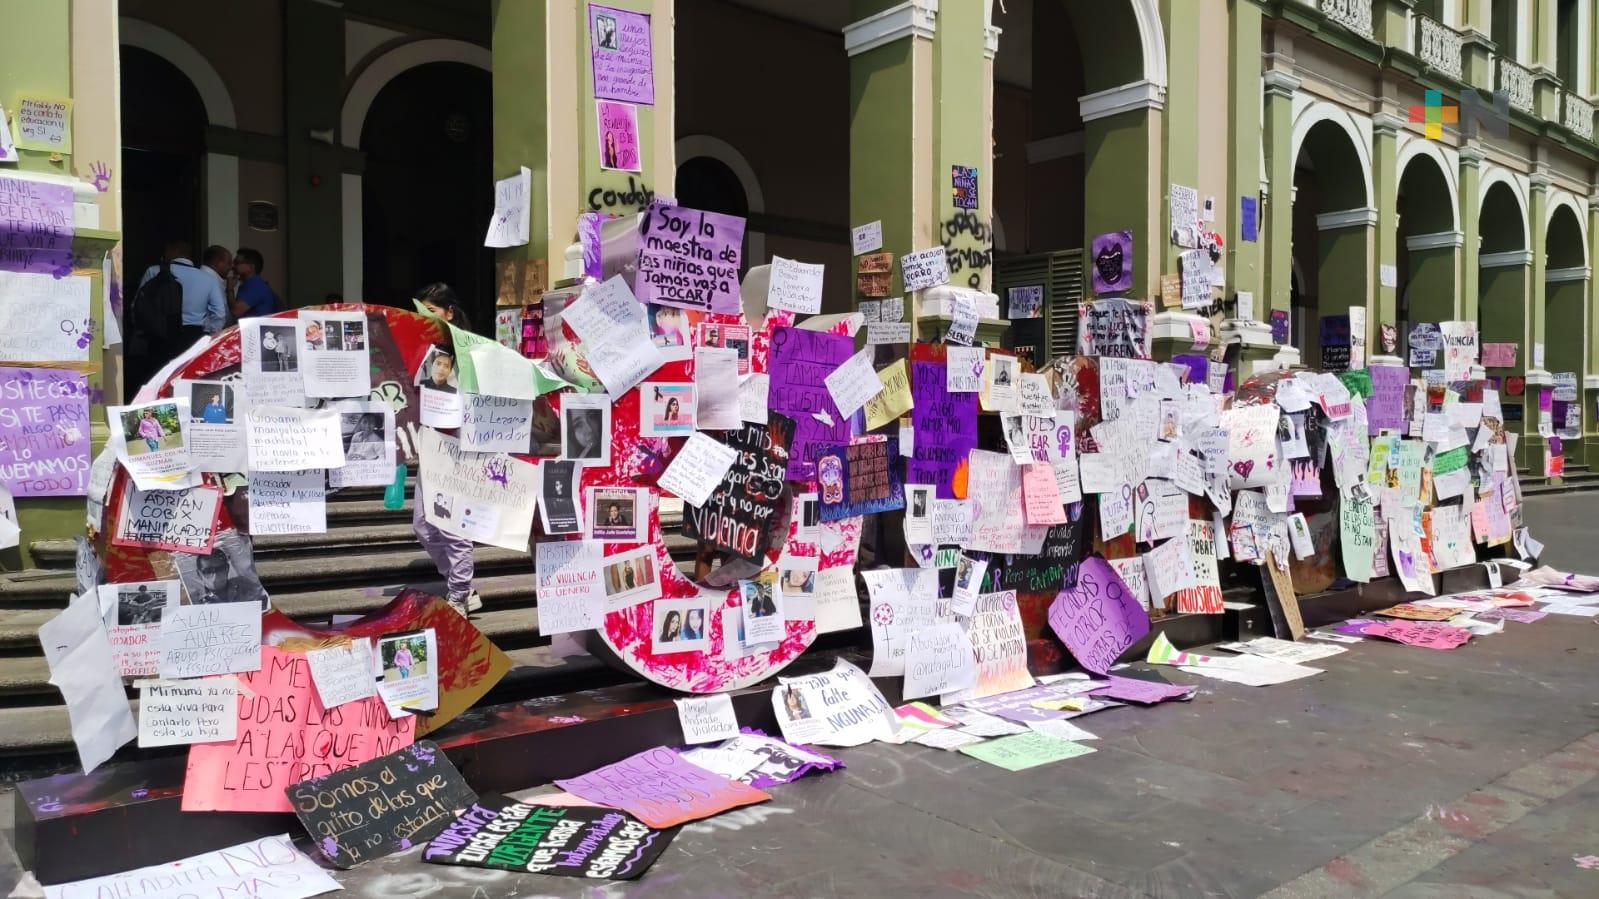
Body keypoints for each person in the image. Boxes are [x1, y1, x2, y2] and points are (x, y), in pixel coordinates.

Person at [411, 283, 479, 617]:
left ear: (449, 313)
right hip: (430, 444)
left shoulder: (471, 351)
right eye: (421, 312)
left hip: (457, 448)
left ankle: (459, 594)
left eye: (432, 311)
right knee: (423, 525)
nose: (426, 318)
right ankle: (463, 585)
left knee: (452, 525)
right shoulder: (425, 350)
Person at [137, 239, 229, 340]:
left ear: (173, 251)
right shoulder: (209, 278)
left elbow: (139, 305)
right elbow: (219, 313)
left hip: (160, 333)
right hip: (194, 336)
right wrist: (210, 335)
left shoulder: (153, 271)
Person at [230, 248, 279, 319]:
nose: (232, 266)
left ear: (251, 267)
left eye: (237, 262)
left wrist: (229, 289)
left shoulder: (256, 285)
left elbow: (236, 311)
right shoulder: (252, 284)